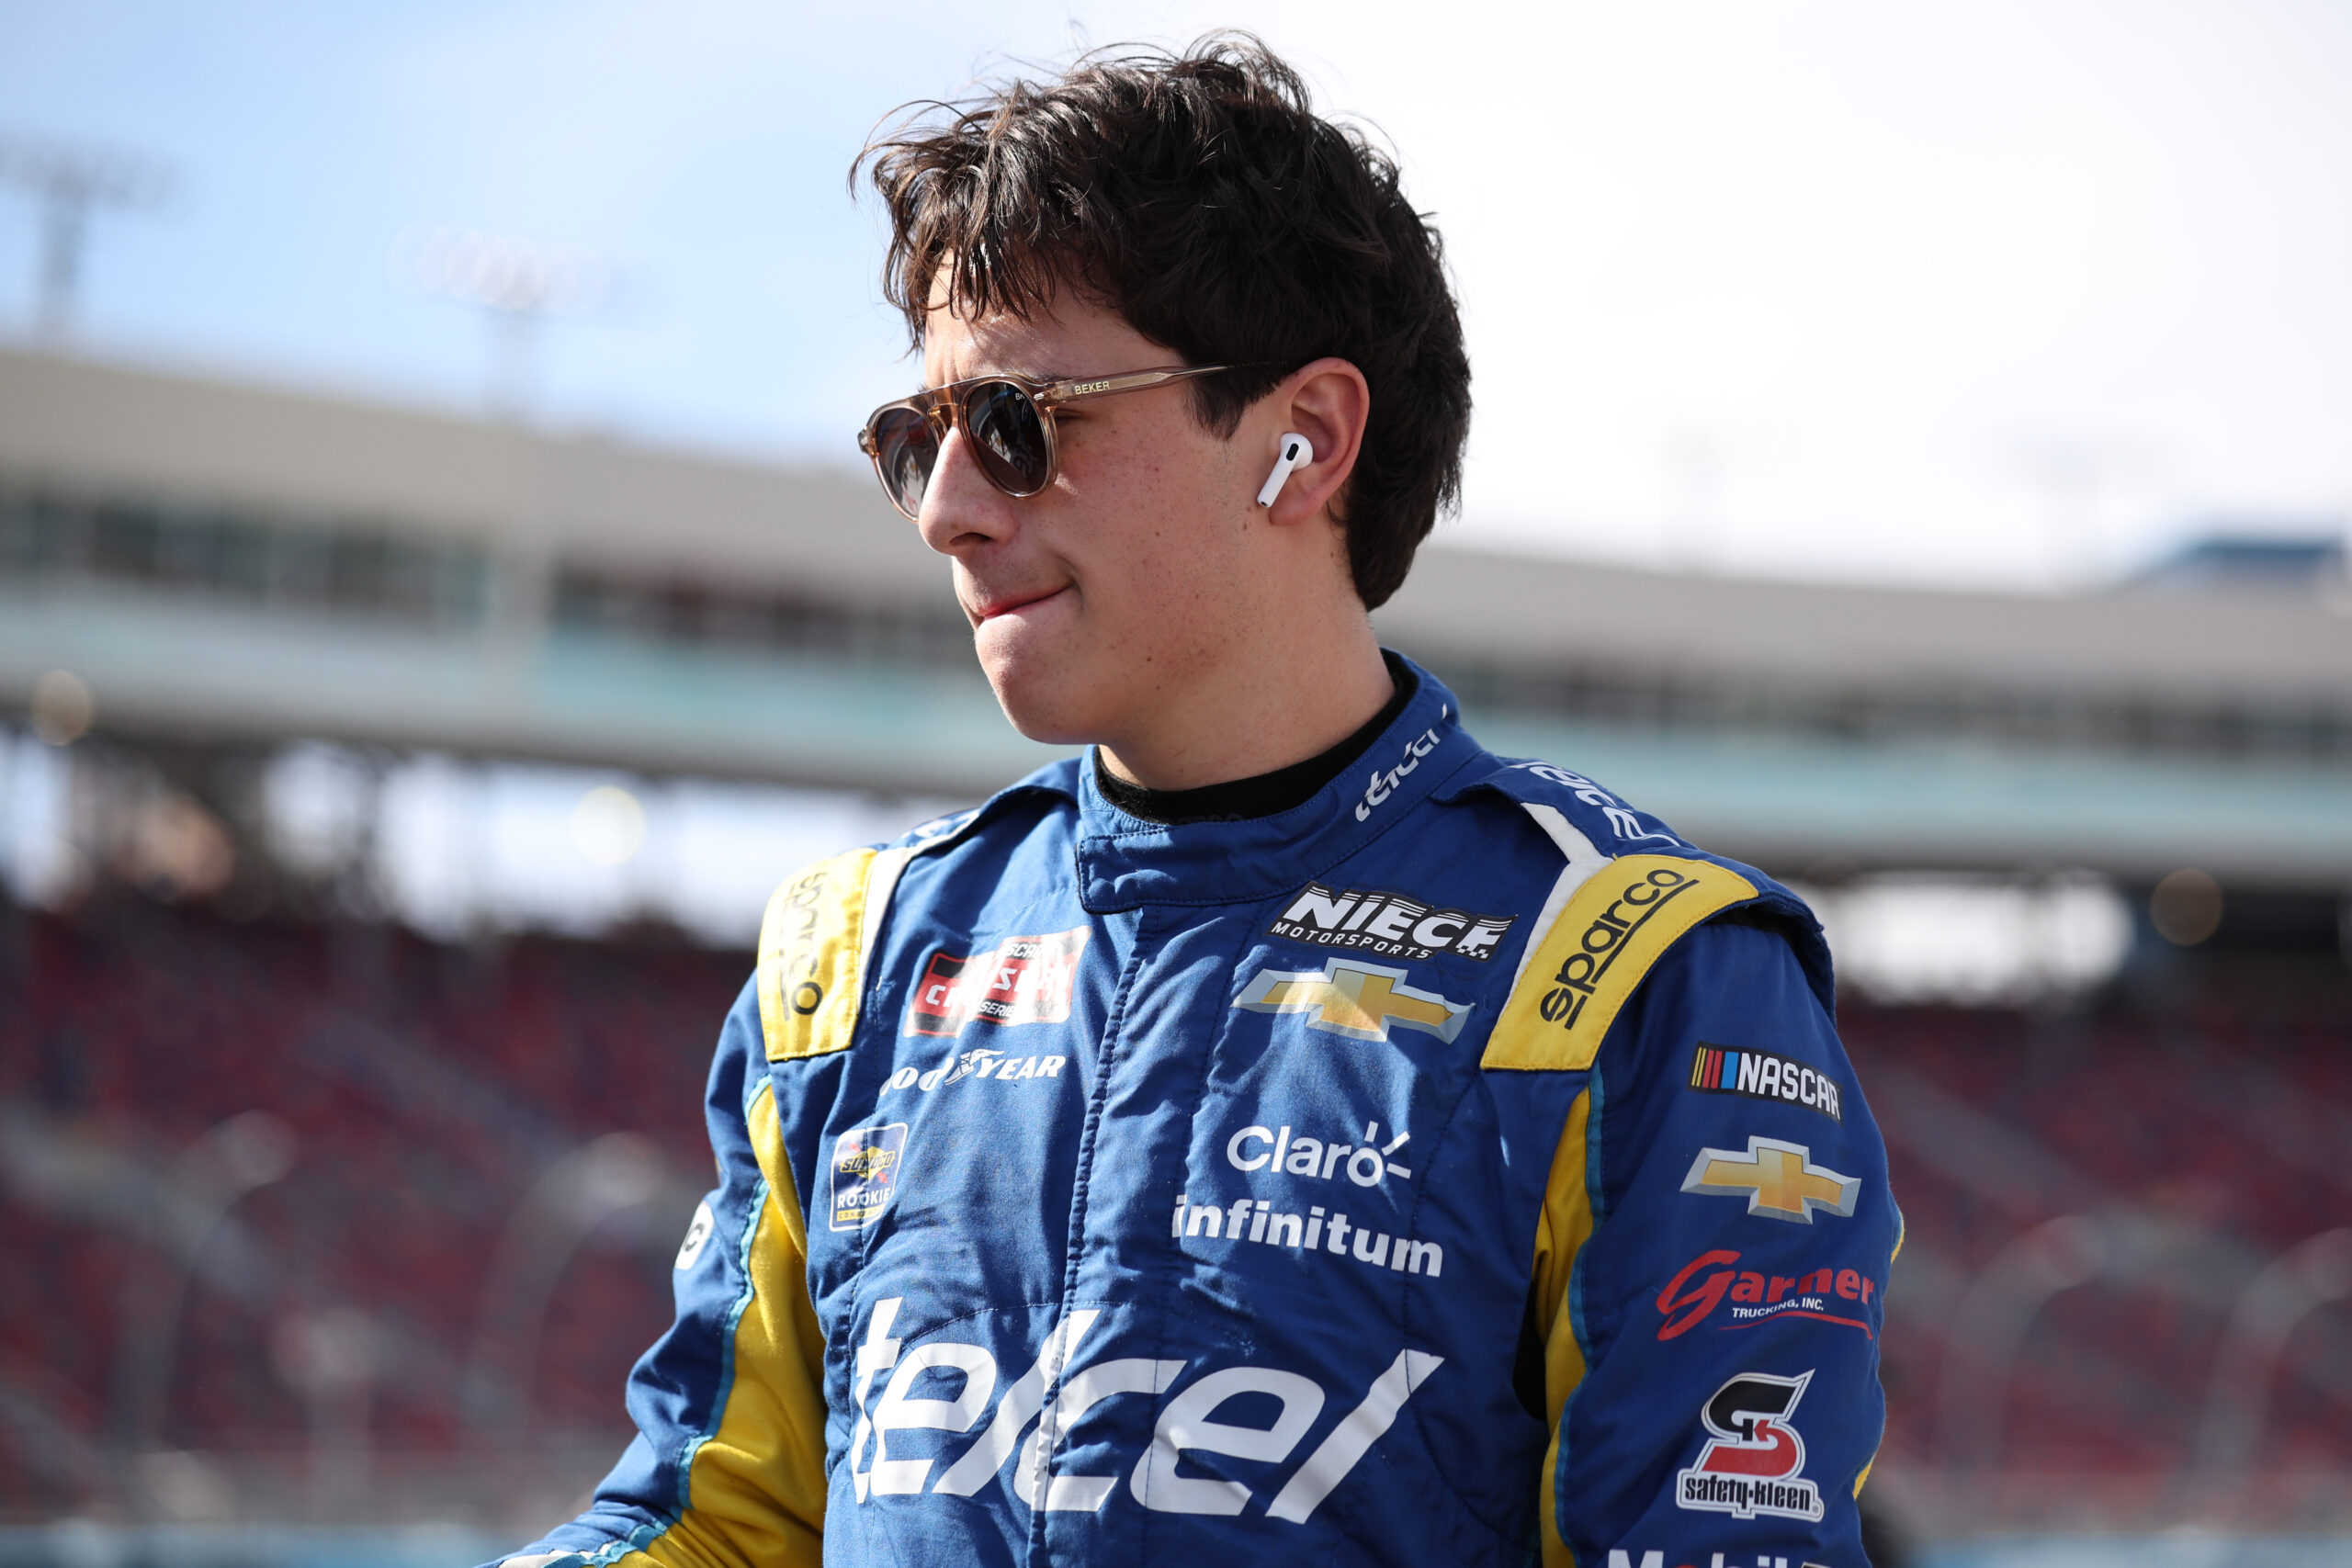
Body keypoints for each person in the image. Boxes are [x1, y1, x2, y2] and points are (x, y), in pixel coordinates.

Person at [491, 37, 1898, 1568]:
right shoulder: (856, 957)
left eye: (1020, 423)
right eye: (916, 441)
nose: (950, 509)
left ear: (1306, 443)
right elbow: (712, 1523)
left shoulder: (1641, 969)